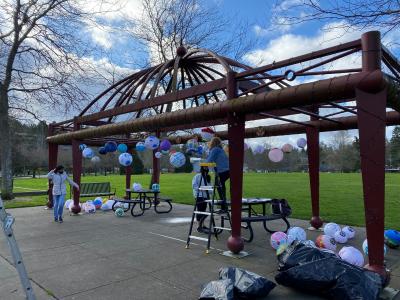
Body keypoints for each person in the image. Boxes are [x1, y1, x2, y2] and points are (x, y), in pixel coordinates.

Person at [206, 137, 229, 211]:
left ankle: (223, 205)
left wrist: (203, 164)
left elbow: (209, 160)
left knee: (218, 185)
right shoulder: (220, 150)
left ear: (213, 143)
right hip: (227, 170)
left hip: (222, 171)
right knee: (220, 186)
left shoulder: (215, 149)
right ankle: (223, 204)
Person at [192, 167, 211, 233]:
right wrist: (202, 189)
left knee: (204, 210)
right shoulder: (197, 176)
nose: (206, 172)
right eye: (204, 170)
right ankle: (198, 226)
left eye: (207, 171)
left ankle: (202, 225)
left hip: (205, 196)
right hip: (199, 196)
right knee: (200, 210)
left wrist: (209, 190)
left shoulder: (208, 177)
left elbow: (209, 186)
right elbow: (194, 186)